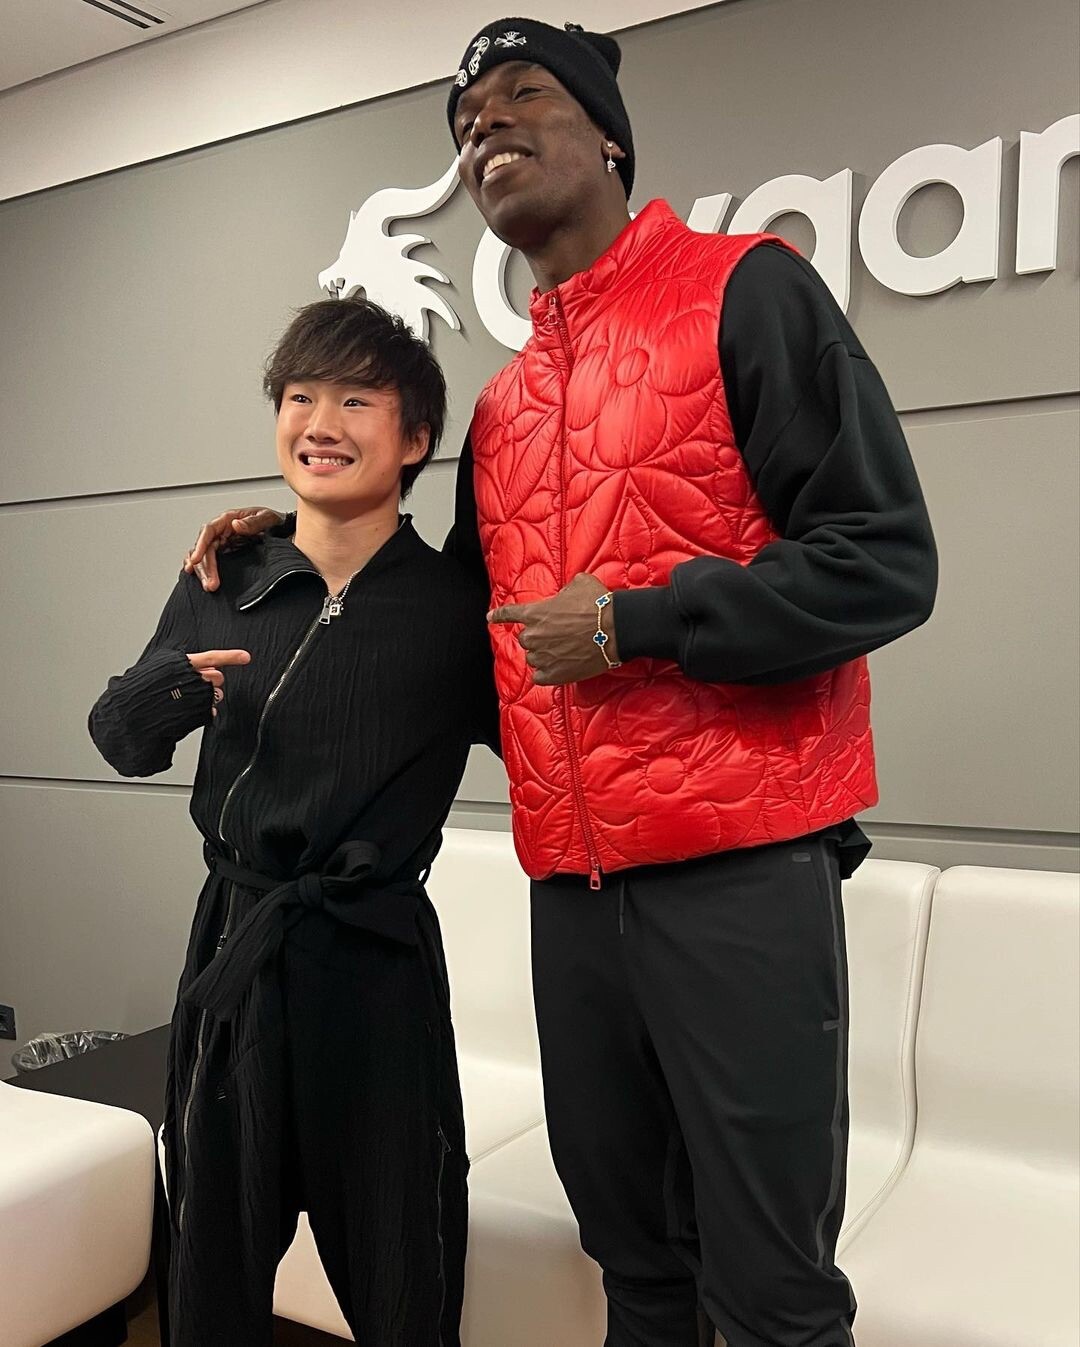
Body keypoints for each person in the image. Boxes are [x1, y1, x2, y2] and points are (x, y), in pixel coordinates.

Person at [186, 18, 937, 1347]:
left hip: (738, 871)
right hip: (573, 894)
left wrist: (638, 622)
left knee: (772, 1295)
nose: (489, 127)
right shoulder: (504, 408)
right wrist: (291, 544)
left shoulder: (747, 291)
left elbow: (883, 562)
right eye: (467, 121)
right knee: (635, 1267)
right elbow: (446, 637)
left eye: (524, 94)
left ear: (609, 137)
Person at [89, 297, 494, 1347]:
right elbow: (118, 737)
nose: (320, 422)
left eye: (356, 401)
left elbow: (565, 746)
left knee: (407, 1270)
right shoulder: (226, 575)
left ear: (414, 438)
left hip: (376, 967)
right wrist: (169, 691)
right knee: (211, 1269)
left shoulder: (456, 609)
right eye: (300, 397)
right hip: (238, 948)